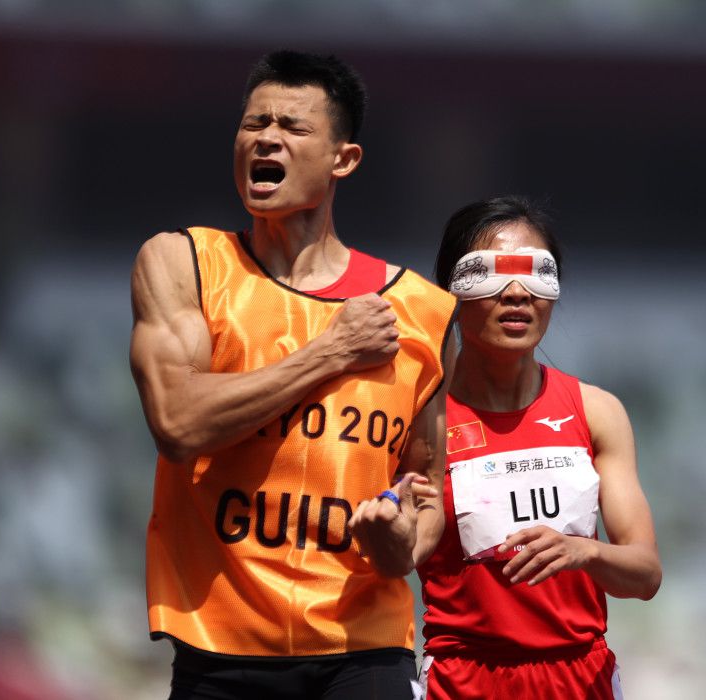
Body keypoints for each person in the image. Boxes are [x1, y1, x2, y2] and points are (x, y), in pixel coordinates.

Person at [129, 50, 458, 699]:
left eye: (292, 126)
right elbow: (177, 421)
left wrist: (403, 547)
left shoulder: (422, 311)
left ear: (344, 158)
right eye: (253, 124)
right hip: (221, 648)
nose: (265, 139)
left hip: (362, 647)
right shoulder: (185, 265)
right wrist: (329, 353)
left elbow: (429, 489)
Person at [416, 196, 662, 699]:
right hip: (463, 681)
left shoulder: (597, 412)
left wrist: (584, 551)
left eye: (535, 275)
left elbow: (645, 574)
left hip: (580, 678)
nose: (516, 294)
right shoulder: (420, 419)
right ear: (451, 293)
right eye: (491, 275)